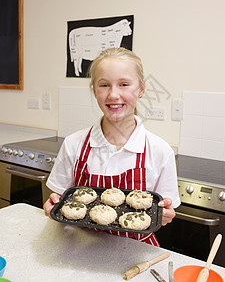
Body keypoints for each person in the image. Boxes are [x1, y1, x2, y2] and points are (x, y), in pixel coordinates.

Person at [44, 47, 180, 246]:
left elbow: (165, 211)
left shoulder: (160, 151)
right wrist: (51, 207)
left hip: (136, 253)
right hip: (78, 248)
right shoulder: (74, 144)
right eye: (104, 85)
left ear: (141, 89)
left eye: (124, 84)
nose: (114, 94)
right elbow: (58, 202)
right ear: (94, 91)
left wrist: (166, 214)